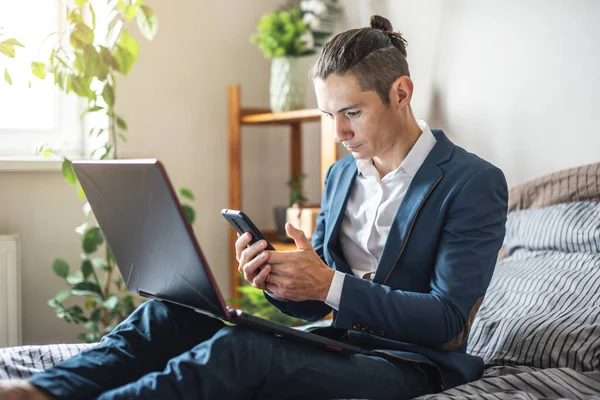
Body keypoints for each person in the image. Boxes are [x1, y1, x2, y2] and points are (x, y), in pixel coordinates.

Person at [0, 15, 508, 400]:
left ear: (402, 93)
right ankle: (42, 392)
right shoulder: (340, 175)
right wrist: (281, 278)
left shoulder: (472, 182)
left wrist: (327, 283)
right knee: (167, 316)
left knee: (240, 352)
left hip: (407, 365)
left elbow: (446, 321)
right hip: (337, 342)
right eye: (329, 115)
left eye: (352, 113)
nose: (339, 133)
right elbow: (317, 302)